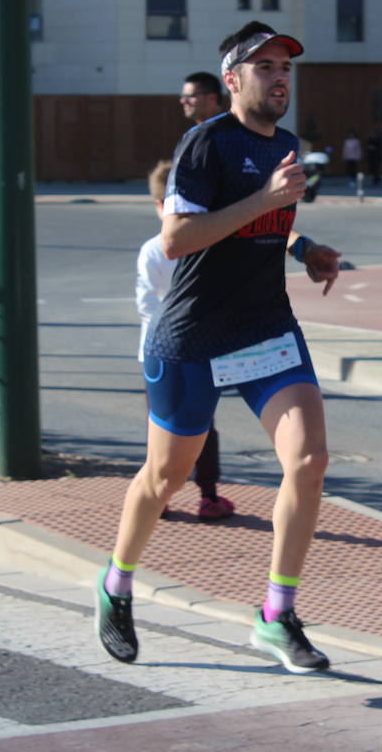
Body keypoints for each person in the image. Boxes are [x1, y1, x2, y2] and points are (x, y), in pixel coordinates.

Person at [96, 20, 342, 675]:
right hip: (195, 337)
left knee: (310, 459)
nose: (279, 77)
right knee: (165, 480)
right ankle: (116, 585)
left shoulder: (285, 144)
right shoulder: (204, 144)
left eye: (285, 66)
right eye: (264, 67)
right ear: (232, 80)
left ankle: (275, 614)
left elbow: (263, 223)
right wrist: (266, 198)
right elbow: (178, 239)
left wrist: (304, 246)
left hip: (265, 329)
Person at [137, 158, 235, 523]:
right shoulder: (207, 244)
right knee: (202, 422)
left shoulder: (151, 250)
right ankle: (208, 495)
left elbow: (147, 304)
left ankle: (160, 495)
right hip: (202, 347)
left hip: (158, 351)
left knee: (161, 424)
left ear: (160, 206)